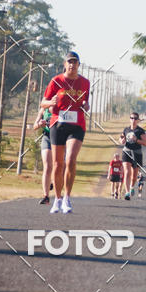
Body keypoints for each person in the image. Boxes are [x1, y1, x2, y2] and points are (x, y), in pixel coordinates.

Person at [40, 51, 90, 214]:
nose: (72, 65)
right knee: (57, 164)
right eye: (69, 62)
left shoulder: (85, 83)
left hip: (76, 125)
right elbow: (43, 103)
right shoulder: (56, 81)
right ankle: (58, 199)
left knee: (70, 160)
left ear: (78, 65)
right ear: (64, 64)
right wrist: (51, 102)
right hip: (58, 124)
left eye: (75, 62)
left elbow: (85, 102)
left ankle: (67, 198)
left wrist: (86, 106)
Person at [119, 112, 146, 200]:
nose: (133, 120)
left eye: (135, 118)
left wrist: (136, 140)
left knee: (134, 176)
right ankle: (127, 193)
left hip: (137, 153)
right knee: (127, 172)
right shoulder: (126, 129)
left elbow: (145, 143)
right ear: (129, 119)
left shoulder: (140, 131)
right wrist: (121, 141)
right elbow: (121, 138)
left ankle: (131, 187)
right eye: (131, 118)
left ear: (137, 120)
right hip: (126, 152)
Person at [33, 105, 53, 204]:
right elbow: (34, 126)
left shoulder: (63, 106)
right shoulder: (44, 109)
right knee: (47, 166)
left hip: (61, 137)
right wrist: (40, 124)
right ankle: (46, 196)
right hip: (47, 137)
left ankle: (55, 186)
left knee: (59, 165)